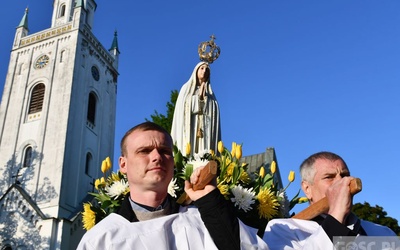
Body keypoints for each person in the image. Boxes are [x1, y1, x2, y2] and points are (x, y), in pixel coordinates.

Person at [77, 122, 266, 249]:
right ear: (123, 164)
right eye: (144, 151)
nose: (157, 157)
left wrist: (211, 202)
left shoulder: (203, 220)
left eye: (165, 151)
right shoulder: (101, 239)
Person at [263, 151, 396, 249]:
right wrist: (336, 216)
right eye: (329, 177)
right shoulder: (284, 230)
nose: (343, 181)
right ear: (307, 188)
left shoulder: (383, 233)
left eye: (345, 175)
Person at [171, 62, 221, 155]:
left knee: (204, 150)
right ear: (196, 71)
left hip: (205, 128)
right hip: (192, 125)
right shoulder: (186, 89)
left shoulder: (210, 94)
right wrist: (198, 98)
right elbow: (183, 107)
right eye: (202, 68)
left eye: (207, 70)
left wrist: (205, 99)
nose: (204, 71)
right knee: (190, 150)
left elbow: (213, 111)